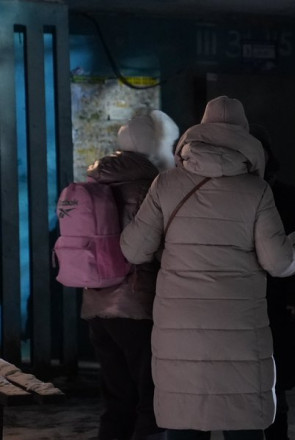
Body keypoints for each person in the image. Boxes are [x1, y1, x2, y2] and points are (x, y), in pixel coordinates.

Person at [119, 96, 295, 440]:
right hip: (239, 325)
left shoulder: (166, 184)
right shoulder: (256, 190)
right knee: (243, 420)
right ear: (244, 135)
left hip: (181, 325)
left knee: (185, 419)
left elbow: (134, 250)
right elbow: (278, 262)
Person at [83, 109, 179, 440]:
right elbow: (152, 249)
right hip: (138, 305)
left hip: (97, 304)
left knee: (117, 401)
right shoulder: (148, 187)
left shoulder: (98, 181)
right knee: (151, 401)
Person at [250, 124, 295, 440]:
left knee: (275, 382)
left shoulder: (284, 194)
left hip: (275, 296)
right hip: (249, 296)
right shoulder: (236, 193)